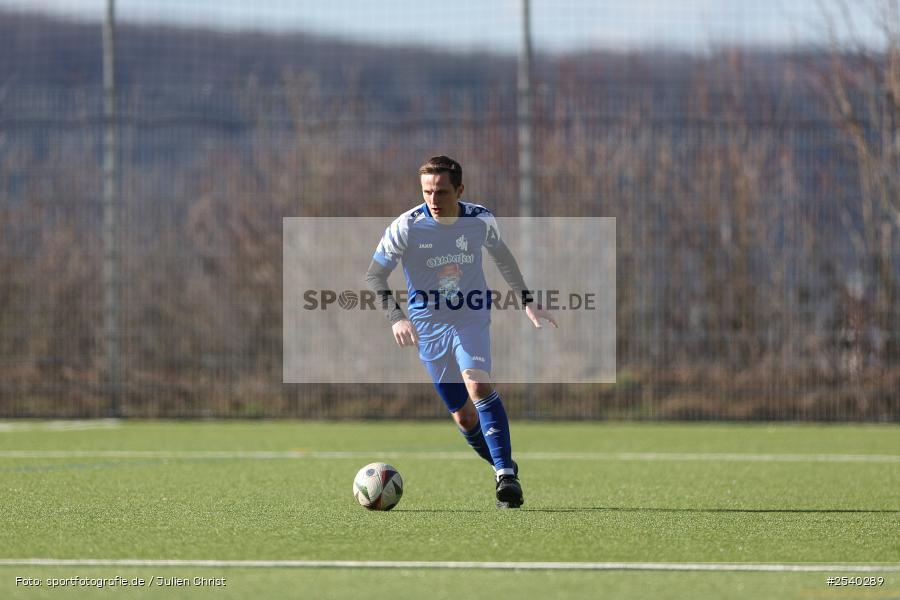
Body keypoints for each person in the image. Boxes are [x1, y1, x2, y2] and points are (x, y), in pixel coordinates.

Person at [365, 155, 557, 508]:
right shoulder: (405, 227)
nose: (433, 200)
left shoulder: (480, 219)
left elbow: (503, 257)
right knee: (464, 416)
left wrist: (527, 300)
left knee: (478, 383)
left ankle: (505, 478)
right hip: (428, 326)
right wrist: (397, 317)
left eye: (441, 191)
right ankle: (504, 463)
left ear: (459, 190)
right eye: (427, 192)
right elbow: (374, 276)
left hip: (471, 316)